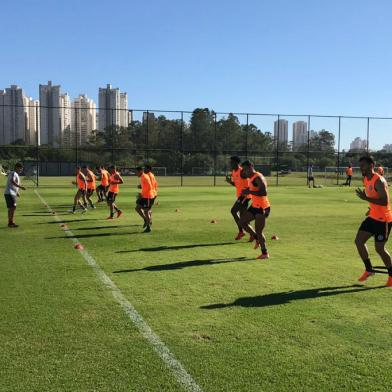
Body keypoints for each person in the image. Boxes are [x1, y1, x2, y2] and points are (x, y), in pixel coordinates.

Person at [355, 156, 392, 287]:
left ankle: (391, 275)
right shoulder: (365, 179)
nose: (361, 168)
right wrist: (370, 208)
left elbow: (385, 201)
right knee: (359, 241)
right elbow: (373, 197)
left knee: (380, 249)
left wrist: (366, 199)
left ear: (372, 165)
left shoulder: (379, 181)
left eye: (363, 165)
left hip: (384, 220)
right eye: (360, 166)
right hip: (372, 217)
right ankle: (369, 269)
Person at [239, 160, 271, 260]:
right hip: (255, 205)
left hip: (262, 207)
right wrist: (246, 192)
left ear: (251, 167)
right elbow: (253, 190)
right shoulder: (251, 177)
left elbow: (264, 193)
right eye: (243, 169)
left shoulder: (257, 177)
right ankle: (256, 238)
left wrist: (249, 191)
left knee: (259, 231)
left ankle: (265, 253)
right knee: (242, 221)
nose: (244, 171)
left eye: (245, 169)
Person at [225, 156, 251, 240]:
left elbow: (251, 179)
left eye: (231, 162)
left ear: (236, 163)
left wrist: (249, 190)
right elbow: (236, 184)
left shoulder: (242, 171)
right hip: (240, 196)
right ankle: (252, 235)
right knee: (244, 217)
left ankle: (241, 232)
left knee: (233, 211)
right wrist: (230, 182)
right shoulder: (233, 172)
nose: (230, 164)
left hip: (245, 196)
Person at [3, 162, 25, 228]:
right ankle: (10, 222)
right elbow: (12, 181)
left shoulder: (16, 174)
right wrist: (20, 187)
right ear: (17, 167)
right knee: (12, 207)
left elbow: (13, 184)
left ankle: (10, 222)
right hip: (9, 193)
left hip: (11, 193)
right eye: (20, 169)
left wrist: (17, 192)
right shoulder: (13, 173)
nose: (21, 170)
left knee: (12, 208)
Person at [135, 166, 153, 233]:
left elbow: (150, 187)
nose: (136, 174)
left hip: (148, 196)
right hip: (144, 196)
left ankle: (149, 227)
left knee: (146, 211)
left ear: (140, 171)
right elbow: (145, 187)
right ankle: (146, 220)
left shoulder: (145, 177)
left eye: (136, 172)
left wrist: (141, 195)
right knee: (137, 208)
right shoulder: (143, 177)